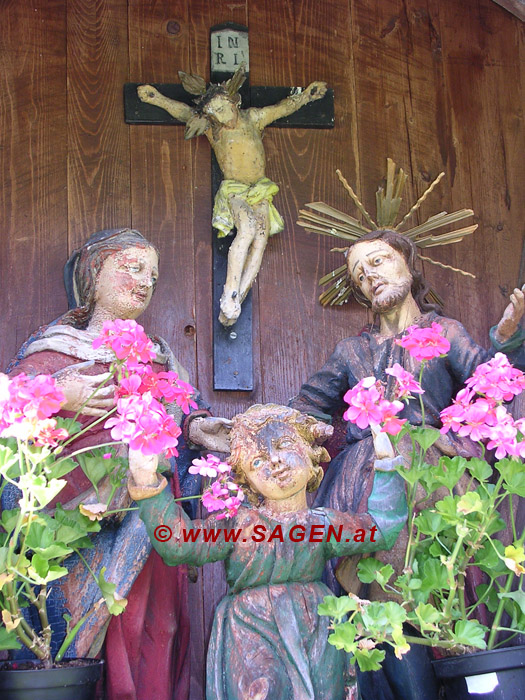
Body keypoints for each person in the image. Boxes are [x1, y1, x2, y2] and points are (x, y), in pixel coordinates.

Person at [288, 228, 524, 700]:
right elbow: (308, 408)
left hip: (435, 479)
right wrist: (305, 441)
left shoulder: (445, 332)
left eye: (378, 261)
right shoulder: (351, 352)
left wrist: (505, 339)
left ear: (408, 265)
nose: (369, 276)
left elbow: (492, 385)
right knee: (373, 597)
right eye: (358, 273)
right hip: (363, 480)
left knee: (437, 592)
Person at [4, 228, 230, 700]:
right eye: (130, 267)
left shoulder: (158, 357)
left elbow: (180, 411)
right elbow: (11, 412)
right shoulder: (55, 350)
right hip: (75, 519)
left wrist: (196, 429)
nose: (144, 281)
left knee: (155, 625)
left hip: (148, 513)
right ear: (93, 276)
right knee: (80, 622)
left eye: (152, 273)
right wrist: (61, 394)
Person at [126, 403, 407, 700]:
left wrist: (387, 467)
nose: (275, 463)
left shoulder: (320, 525)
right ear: (246, 479)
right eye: (257, 462)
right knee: (261, 691)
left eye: (284, 445)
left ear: (310, 453)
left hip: (316, 624)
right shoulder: (236, 526)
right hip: (251, 628)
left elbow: (380, 529)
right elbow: (178, 544)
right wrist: (150, 488)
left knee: (324, 690)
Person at [137, 66, 327, 326]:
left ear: (233, 102)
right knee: (247, 232)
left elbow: (282, 108)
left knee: (261, 239)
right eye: (214, 113)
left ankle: (238, 296)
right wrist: (157, 98)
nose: (221, 115)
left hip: (259, 188)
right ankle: (229, 291)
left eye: (223, 107)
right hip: (235, 190)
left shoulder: (254, 118)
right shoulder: (213, 131)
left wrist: (306, 96)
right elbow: (184, 112)